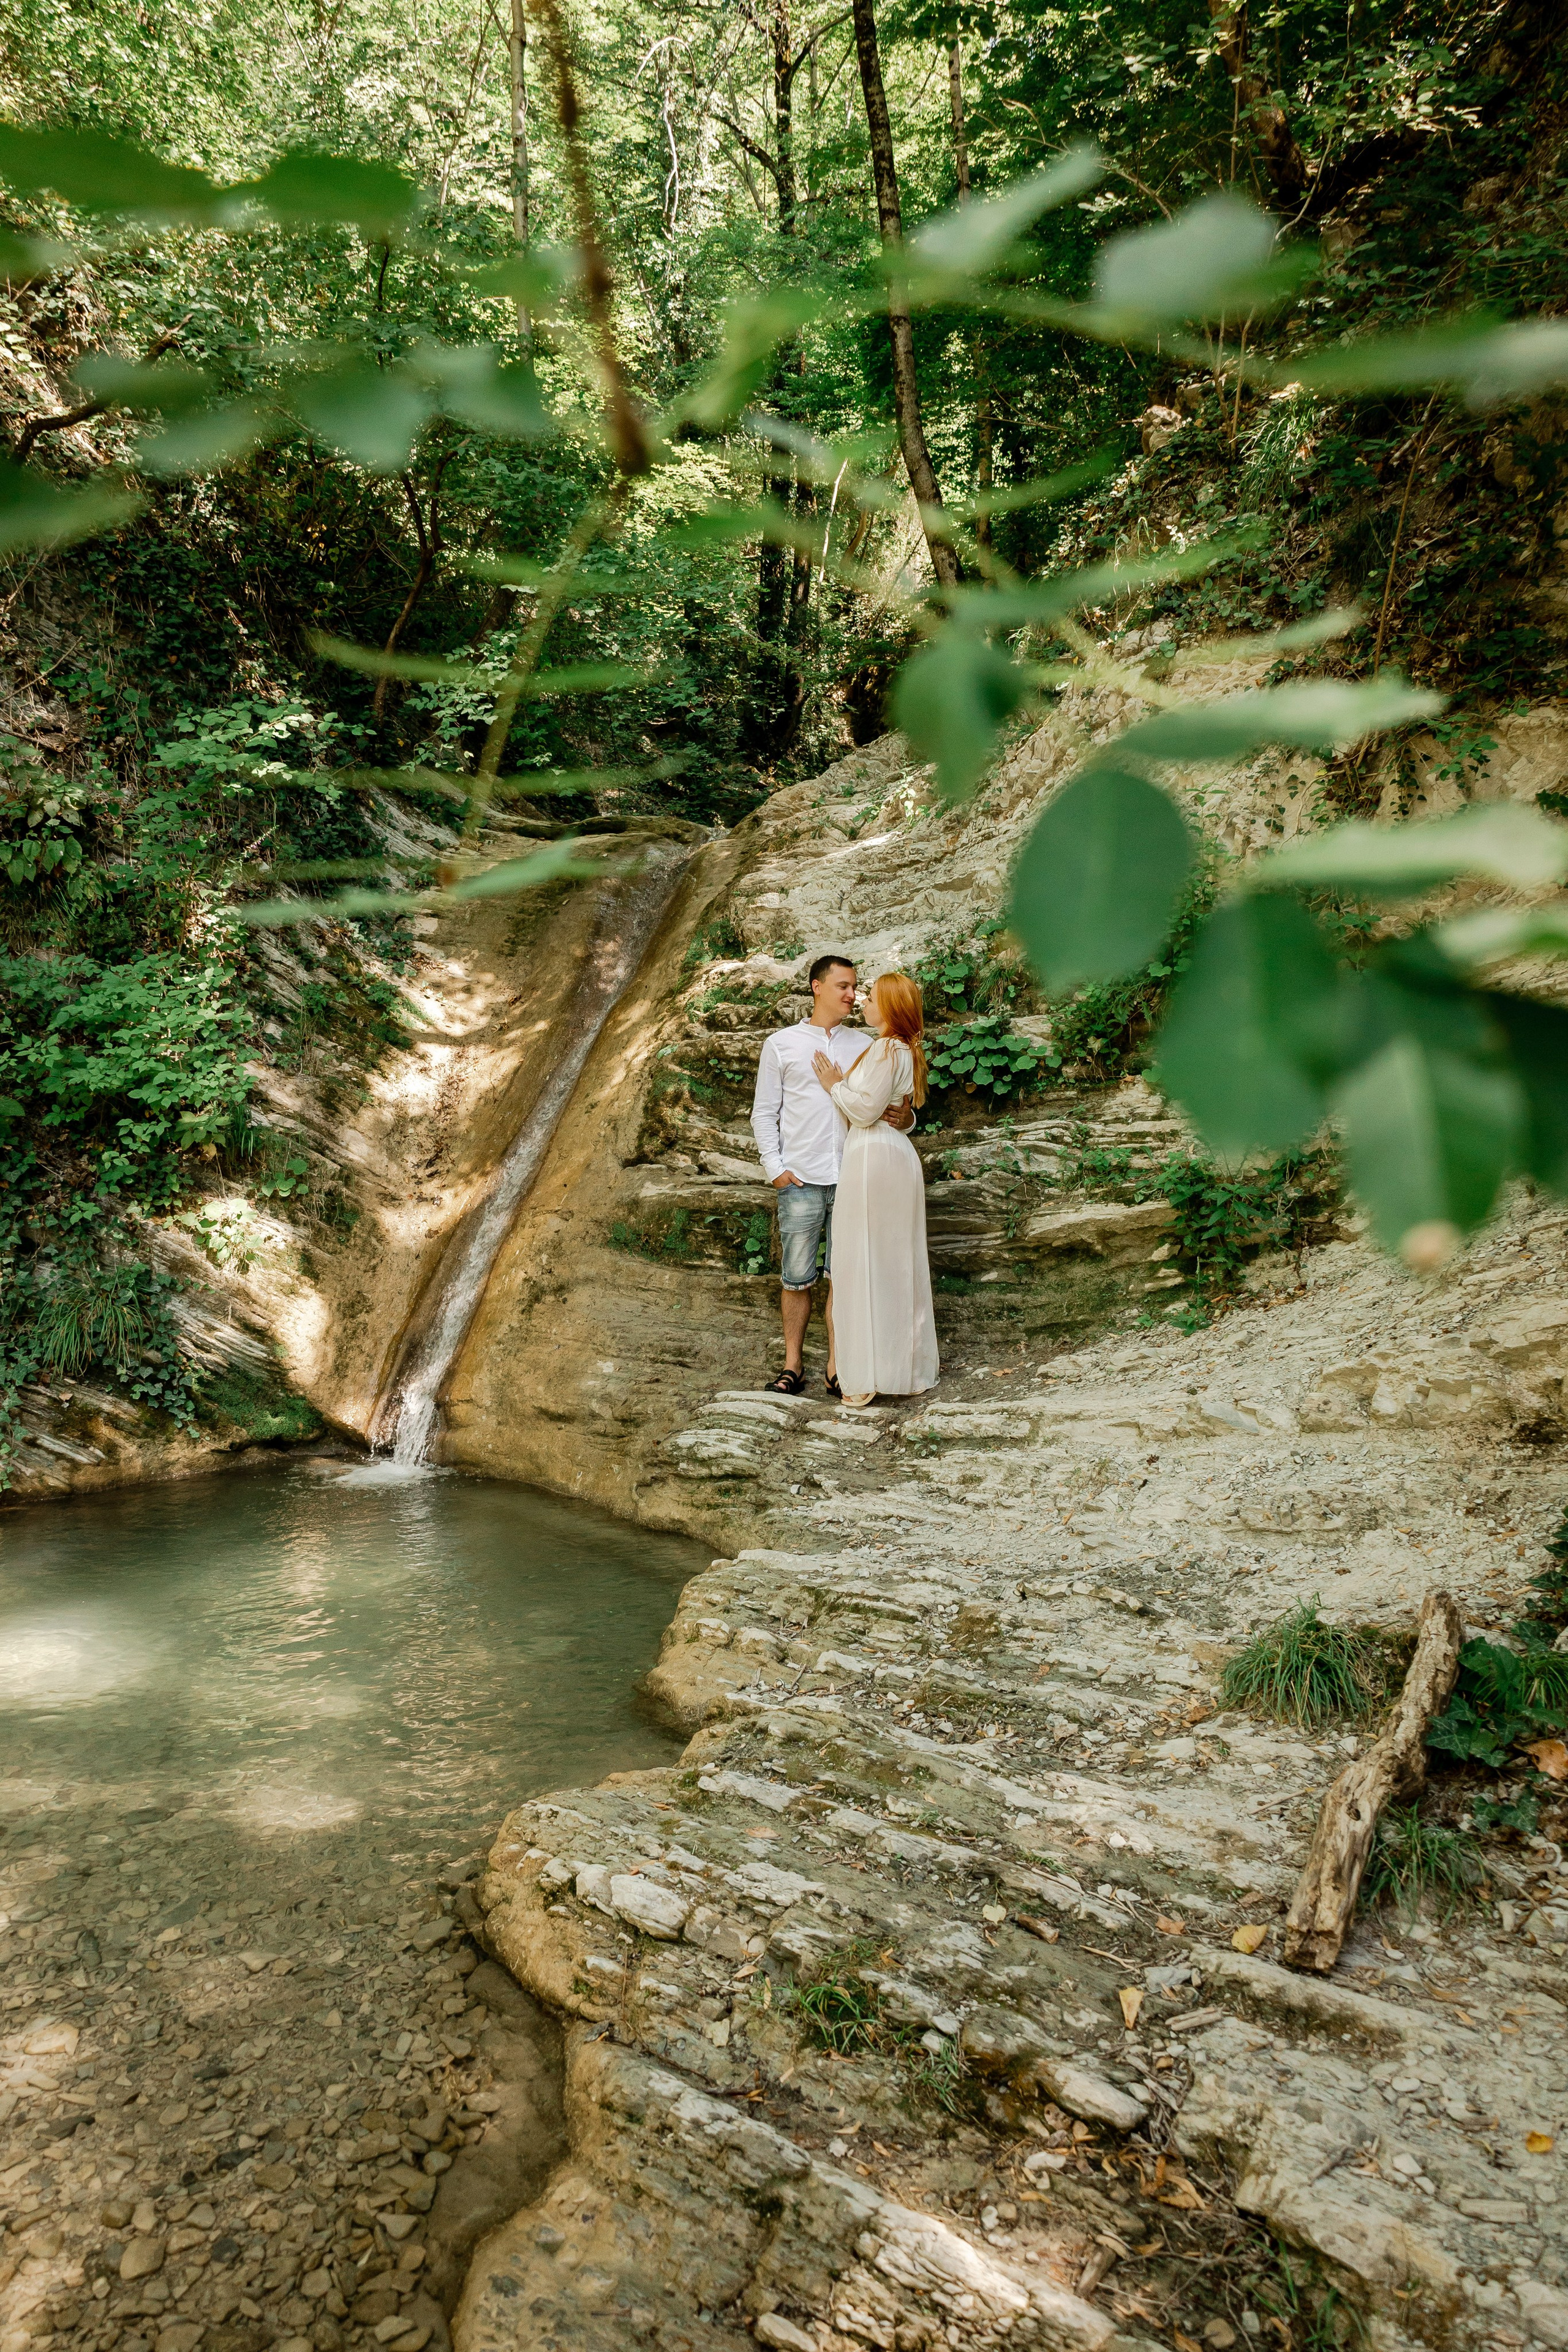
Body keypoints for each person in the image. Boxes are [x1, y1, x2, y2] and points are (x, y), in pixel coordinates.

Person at [750, 952, 912, 1396]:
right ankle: (793, 1366)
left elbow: (892, 1107)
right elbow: (764, 1113)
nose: (852, 994)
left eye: (855, 986)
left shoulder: (866, 1044)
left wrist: (907, 1120)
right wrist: (776, 1169)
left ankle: (838, 1369)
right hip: (800, 1178)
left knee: (846, 1276)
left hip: (854, 1178)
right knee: (796, 1276)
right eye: (842, 985)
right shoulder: (782, 1044)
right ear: (817, 987)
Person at [810, 971, 938, 1408]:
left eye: (871, 997)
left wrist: (834, 1086)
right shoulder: (904, 1050)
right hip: (893, 1155)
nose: (863, 1001)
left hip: (872, 1160)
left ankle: (862, 1377)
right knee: (897, 1263)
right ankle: (905, 1368)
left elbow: (865, 1111)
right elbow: (894, 1109)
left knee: (862, 1261)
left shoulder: (886, 1047)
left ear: (889, 1006)